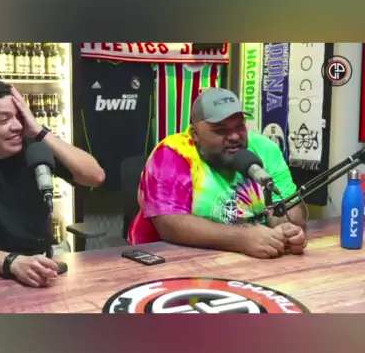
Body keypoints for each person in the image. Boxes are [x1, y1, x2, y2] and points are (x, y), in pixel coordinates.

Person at [0, 78, 105, 287]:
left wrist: (40, 132)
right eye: (3, 119)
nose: (16, 126)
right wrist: (12, 262)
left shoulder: (35, 149)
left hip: (42, 270)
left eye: (20, 116)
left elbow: (95, 177)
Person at [128, 87, 307, 259]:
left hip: (248, 261)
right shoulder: (172, 154)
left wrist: (287, 230)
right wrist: (242, 239)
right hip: (164, 260)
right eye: (221, 130)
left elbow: (288, 207)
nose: (235, 136)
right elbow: (170, 224)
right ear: (195, 134)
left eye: (240, 126)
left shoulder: (265, 149)